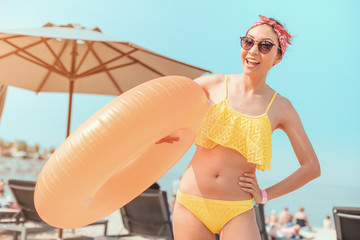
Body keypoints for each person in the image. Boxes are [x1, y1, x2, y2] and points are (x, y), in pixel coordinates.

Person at [158, 15, 320, 239]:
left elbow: (311, 167)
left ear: (278, 57)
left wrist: (265, 195)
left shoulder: (281, 107)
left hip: (237, 211)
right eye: (248, 42)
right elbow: (163, 105)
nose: (254, 50)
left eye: (265, 46)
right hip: (190, 203)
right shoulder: (211, 84)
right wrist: (165, 132)